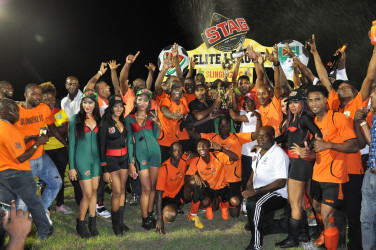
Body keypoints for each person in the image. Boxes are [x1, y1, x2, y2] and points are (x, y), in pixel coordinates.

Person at [308, 33, 376, 249]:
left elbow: (369, 77)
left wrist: (375, 47)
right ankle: (333, 243)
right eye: (340, 88)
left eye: (346, 86)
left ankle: (355, 246)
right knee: (335, 212)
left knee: (354, 213)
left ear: (356, 92)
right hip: (334, 170)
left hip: (355, 168)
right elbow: (325, 80)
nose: (341, 88)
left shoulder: (357, 104)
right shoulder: (335, 107)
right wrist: (315, 53)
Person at [305, 85, 359, 250]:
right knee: (318, 208)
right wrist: (307, 153)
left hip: (333, 176)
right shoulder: (313, 121)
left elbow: (354, 146)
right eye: (311, 100)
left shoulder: (338, 118)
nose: (314, 103)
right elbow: (318, 150)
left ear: (326, 101)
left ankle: (332, 244)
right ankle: (327, 235)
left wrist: (328, 144)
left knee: (328, 216)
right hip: (317, 174)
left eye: (318, 99)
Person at [0, 98, 53, 241]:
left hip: (3, 173)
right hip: (18, 173)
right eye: (13, 110)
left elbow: (10, 146)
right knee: (34, 203)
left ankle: (3, 235)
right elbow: (21, 157)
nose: (17, 112)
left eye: (17, 109)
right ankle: (44, 231)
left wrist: (30, 138)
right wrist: (38, 143)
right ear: (3, 112)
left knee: (5, 207)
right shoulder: (9, 129)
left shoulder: (3, 127)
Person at [275, 89, 322, 248]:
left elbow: (319, 135)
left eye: (296, 101)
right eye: (290, 102)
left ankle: (293, 238)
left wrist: (308, 150)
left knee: (294, 203)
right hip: (296, 163)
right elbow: (287, 137)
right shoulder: (295, 118)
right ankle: (302, 234)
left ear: (303, 102)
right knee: (298, 202)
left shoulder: (305, 118)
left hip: (301, 163)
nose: (292, 105)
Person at [14, 84, 65, 224]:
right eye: (34, 94)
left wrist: (66, 145)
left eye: (40, 94)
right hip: (25, 161)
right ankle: (19, 227)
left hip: (41, 156)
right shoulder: (16, 112)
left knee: (56, 183)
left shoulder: (43, 108)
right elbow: (11, 141)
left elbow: (53, 128)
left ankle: (40, 213)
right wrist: (33, 138)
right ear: (25, 95)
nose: (38, 97)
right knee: (25, 196)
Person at [242, 126, 289, 250]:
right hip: (261, 190)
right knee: (260, 226)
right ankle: (286, 225)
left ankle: (256, 245)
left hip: (277, 193)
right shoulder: (259, 151)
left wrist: (255, 191)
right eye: (259, 136)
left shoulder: (279, 154)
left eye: (265, 136)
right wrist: (249, 181)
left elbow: (281, 182)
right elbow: (255, 168)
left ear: (273, 137)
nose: (261, 139)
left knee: (254, 204)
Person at [125, 88, 161, 230]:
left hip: (155, 153)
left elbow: (156, 135)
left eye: (146, 100)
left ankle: (150, 213)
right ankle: (145, 218)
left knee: (152, 187)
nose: (142, 102)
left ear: (149, 102)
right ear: (135, 100)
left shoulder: (153, 114)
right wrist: (130, 162)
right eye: (140, 99)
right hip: (140, 155)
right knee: (145, 188)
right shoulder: (130, 117)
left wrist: (158, 124)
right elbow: (129, 140)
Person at [68, 90, 101, 238]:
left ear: (95, 104)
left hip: (96, 162)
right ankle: (80, 223)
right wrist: (72, 167)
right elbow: (72, 145)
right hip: (82, 161)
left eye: (90, 102)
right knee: (87, 194)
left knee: (94, 192)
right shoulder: (75, 119)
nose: (87, 105)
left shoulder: (99, 119)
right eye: (85, 102)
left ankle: (92, 223)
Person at [185, 139, 239, 225]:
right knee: (205, 203)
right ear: (196, 149)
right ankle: (209, 206)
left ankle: (224, 205)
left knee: (236, 202)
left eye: (204, 145)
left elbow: (236, 158)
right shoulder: (196, 161)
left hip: (222, 186)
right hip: (208, 189)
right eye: (199, 146)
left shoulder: (218, 156)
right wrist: (195, 176)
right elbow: (187, 176)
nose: (201, 148)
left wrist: (222, 149)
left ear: (209, 147)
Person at [39, 81, 73, 215]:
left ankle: (60, 204)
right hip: (45, 150)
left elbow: (65, 129)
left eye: (51, 98)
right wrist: (55, 130)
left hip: (60, 150)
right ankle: (46, 207)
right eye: (45, 98)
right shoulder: (38, 114)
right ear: (41, 99)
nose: (49, 101)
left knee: (60, 177)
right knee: (45, 179)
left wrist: (50, 131)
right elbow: (41, 134)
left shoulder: (59, 112)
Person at [98, 95, 129, 236]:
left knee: (123, 191)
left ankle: (121, 221)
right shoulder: (105, 122)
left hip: (125, 159)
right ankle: (115, 225)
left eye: (121, 106)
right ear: (110, 107)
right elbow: (101, 147)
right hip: (111, 160)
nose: (118, 109)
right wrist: (104, 169)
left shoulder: (123, 120)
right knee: (116, 192)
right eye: (115, 106)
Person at [155, 142, 196, 234]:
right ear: (170, 152)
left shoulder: (184, 160)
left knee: (194, 181)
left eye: (180, 150)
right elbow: (158, 194)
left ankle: (182, 205)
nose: (178, 152)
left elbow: (199, 156)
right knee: (170, 216)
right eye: (175, 150)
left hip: (179, 192)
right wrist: (159, 219)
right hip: (167, 197)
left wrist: (193, 154)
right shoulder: (163, 169)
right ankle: (171, 207)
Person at [354, 86, 376, 250]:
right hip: (370, 174)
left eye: (374, 95)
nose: (371, 97)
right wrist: (362, 121)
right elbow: (371, 142)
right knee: (366, 219)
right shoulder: (374, 118)